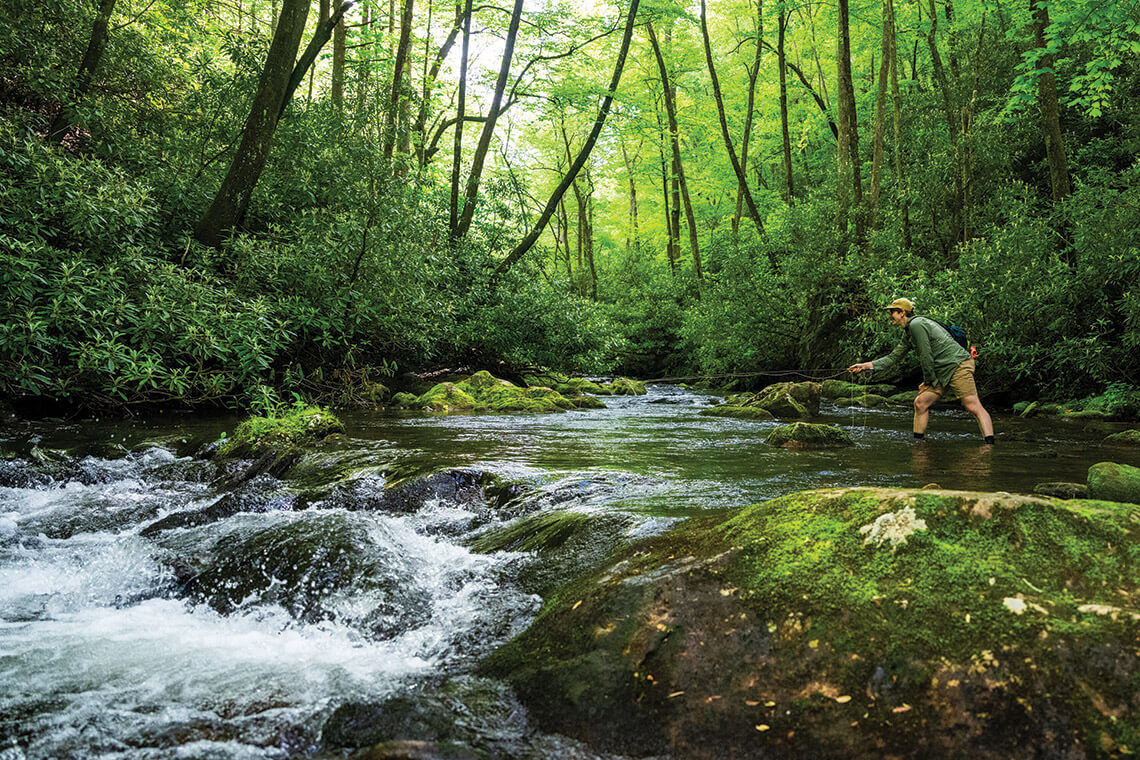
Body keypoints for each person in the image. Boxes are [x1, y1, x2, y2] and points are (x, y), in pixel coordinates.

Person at [847, 297, 994, 444]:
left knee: (972, 405)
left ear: (902, 312)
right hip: (941, 371)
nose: (890, 316)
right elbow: (893, 357)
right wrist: (865, 366)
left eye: (892, 312)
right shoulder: (908, 332)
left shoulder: (916, 325)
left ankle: (989, 445)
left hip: (958, 365)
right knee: (920, 403)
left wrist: (929, 380)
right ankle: (919, 444)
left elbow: (926, 355)